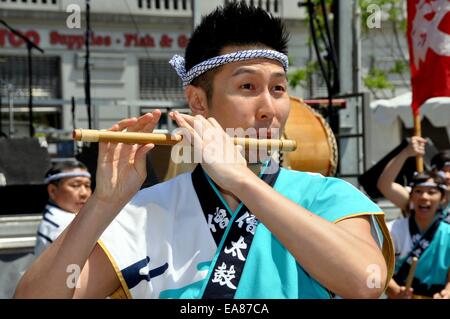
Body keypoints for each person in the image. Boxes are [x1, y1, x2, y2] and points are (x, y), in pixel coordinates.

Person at [14, 2, 393, 299]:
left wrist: (243, 181)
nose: (268, 107)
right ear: (198, 101)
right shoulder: (147, 213)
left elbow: (366, 282)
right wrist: (103, 204)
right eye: (247, 87)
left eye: (278, 89)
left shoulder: (328, 196)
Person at [384, 172, 450, 299]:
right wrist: (394, 290)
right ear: (411, 196)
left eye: (431, 192)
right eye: (418, 191)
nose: (424, 197)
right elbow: (378, 270)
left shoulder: (448, 234)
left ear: (443, 198)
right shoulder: (393, 230)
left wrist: (447, 292)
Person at [34, 160, 92, 256]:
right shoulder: (62, 226)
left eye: (87, 186)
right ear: (52, 191)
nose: (84, 193)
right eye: (76, 185)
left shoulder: (64, 218)